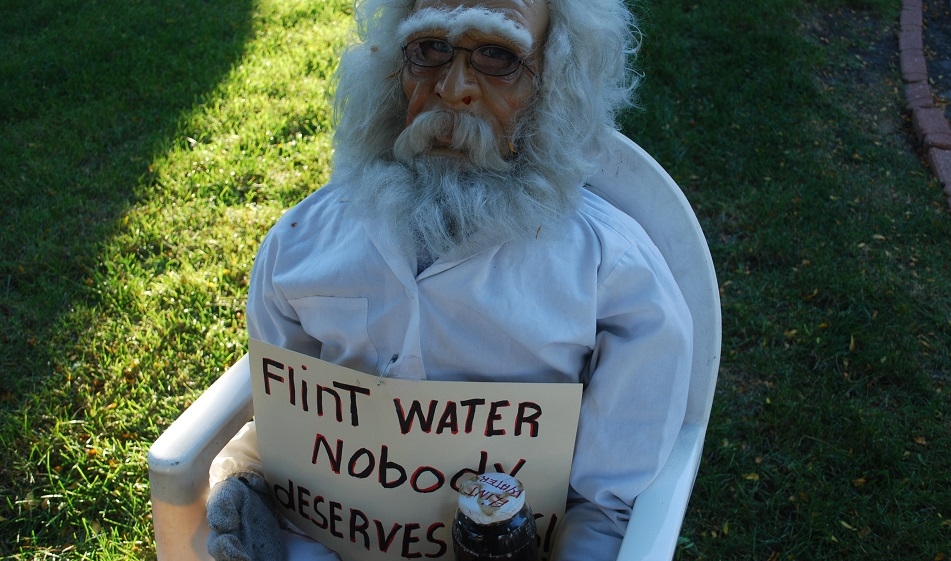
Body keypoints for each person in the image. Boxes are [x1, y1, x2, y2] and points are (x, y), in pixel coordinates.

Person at [206, 0, 694, 559]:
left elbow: (606, 510)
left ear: (556, 82)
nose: (454, 87)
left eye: (497, 55)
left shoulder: (615, 278)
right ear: (394, 68)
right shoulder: (301, 246)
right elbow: (291, 441)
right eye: (430, 49)